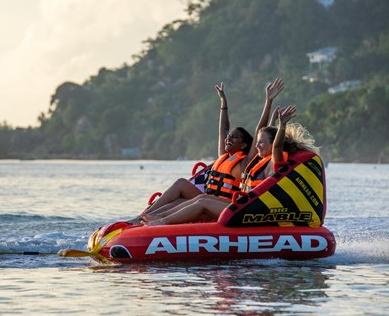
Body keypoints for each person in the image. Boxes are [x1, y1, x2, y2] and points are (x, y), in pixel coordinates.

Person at [126, 77, 284, 224]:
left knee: (199, 200)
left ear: (244, 145)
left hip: (224, 206)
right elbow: (223, 129)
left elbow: (259, 130)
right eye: (229, 137)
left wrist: (268, 101)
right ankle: (143, 217)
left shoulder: (244, 162)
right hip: (208, 199)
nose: (228, 138)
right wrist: (223, 102)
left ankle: (158, 222)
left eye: (234, 137)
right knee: (181, 190)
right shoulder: (224, 157)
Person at [144, 105, 319, 226]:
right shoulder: (257, 161)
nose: (257, 146)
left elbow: (277, 145)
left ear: (271, 146)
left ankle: (161, 222)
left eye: (261, 143)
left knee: (202, 202)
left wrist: (281, 126)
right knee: (200, 198)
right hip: (243, 206)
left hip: (248, 211)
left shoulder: (274, 161)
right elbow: (254, 130)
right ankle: (156, 217)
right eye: (256, 143)